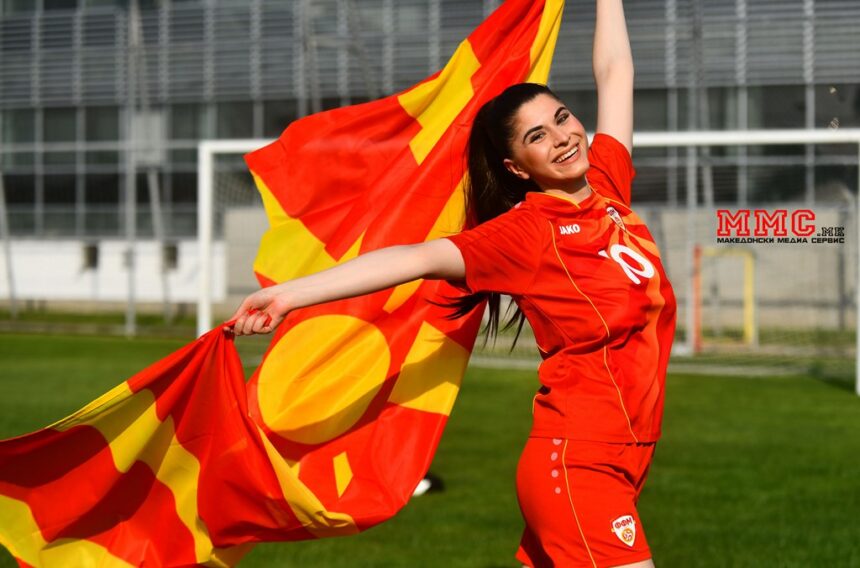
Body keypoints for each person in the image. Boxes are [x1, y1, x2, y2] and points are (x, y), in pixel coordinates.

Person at [230, 1, 676, 566]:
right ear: (517, 168)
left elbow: (615, 72)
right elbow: (415, 258)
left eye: (563, 118)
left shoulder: (609, 185)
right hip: (579, 461)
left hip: (627, 456)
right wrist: (291, 295)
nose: (563, 138)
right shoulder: (525, 233)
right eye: (537, 136)